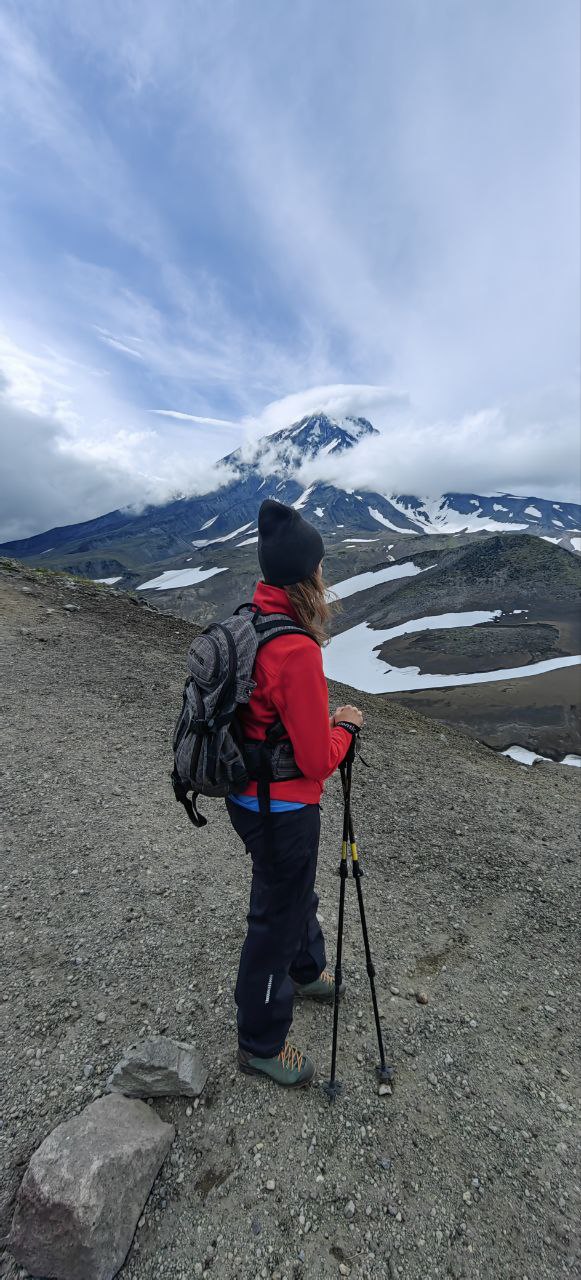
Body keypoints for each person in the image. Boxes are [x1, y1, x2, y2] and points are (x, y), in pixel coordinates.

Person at [226, 498, 364, 1087]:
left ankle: (307, 971)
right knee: (276, 916)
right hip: (283, 807)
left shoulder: (250, 622)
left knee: (290, 888)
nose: (323, 576)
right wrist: (345, 727)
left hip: (245, 797)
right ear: (308, 575)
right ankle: (260, 1042)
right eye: (320, 567)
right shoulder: (297, 651)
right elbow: (316, 761)